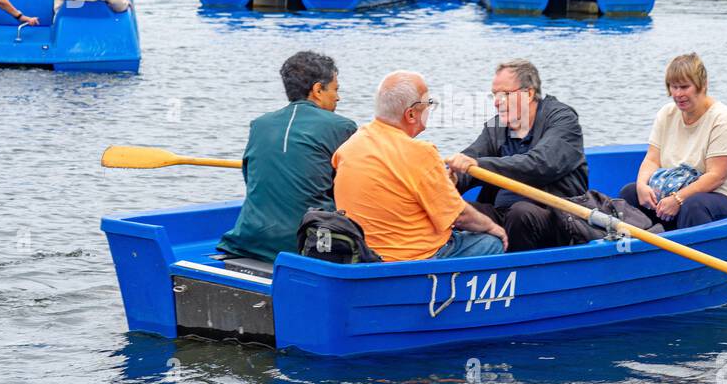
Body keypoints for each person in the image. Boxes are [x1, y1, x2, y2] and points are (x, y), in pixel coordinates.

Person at [333, 71, 506, 261]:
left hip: (363, 251)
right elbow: (459, 216)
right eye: (428, 104)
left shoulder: (349, 147)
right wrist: (492, 227)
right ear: (411, 114)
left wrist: (442, 182)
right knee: (491, 242)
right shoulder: (421, 153)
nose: (430, 109)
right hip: (412, 258)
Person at [217, 52, 357, 262]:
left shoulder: (260, 124)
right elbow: (352, 192)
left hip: (249, 241)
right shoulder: (342, 127)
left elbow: (250, 179)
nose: (338, 97)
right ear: (318, 90)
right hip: (305, 244)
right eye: (335, 90)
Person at [447, 60, 588, 252]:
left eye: (505, 94)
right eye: (494, 95)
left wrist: (479, 165)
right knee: (455, 212)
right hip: (502, 213)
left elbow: (541, 164)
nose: (497, 102)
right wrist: (449, 180)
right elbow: (470, 162)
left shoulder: (562, 119)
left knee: (521, 213)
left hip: (559, 217)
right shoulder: (496, 128)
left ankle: (519, 272)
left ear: (529, 94)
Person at [618, 53, 727, 231]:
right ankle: (644, 253)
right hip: (678, 191)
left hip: (725, 197)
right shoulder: (666, 114)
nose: (678, 94)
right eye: (674, 87)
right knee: (629, 194)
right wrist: (641, 186)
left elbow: (716, 176)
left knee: (693, 206)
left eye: (684, 87)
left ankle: (692, 255)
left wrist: (677, 199)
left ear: (702, 85)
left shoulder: (722, 119)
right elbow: (652, 159)